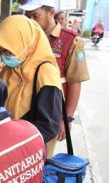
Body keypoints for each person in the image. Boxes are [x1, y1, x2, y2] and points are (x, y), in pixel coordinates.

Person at [21, 0, 90, 158]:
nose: (31, 21)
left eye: (35, 16)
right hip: (24, 111)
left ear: (51, 13)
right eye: (28, 16)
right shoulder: (27, 37)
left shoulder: (71, 41)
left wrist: (67, 119)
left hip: (50, 115)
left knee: (42, 160)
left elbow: (74, 81)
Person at [0, 15, 62, 156]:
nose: (5, 56)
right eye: (1, 51)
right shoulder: (9, 69)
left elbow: (48, 126)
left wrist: (13, 141)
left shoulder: (45, 73)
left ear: (27, 44)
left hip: (30, 155)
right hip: (7, 148)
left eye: (8, 51)